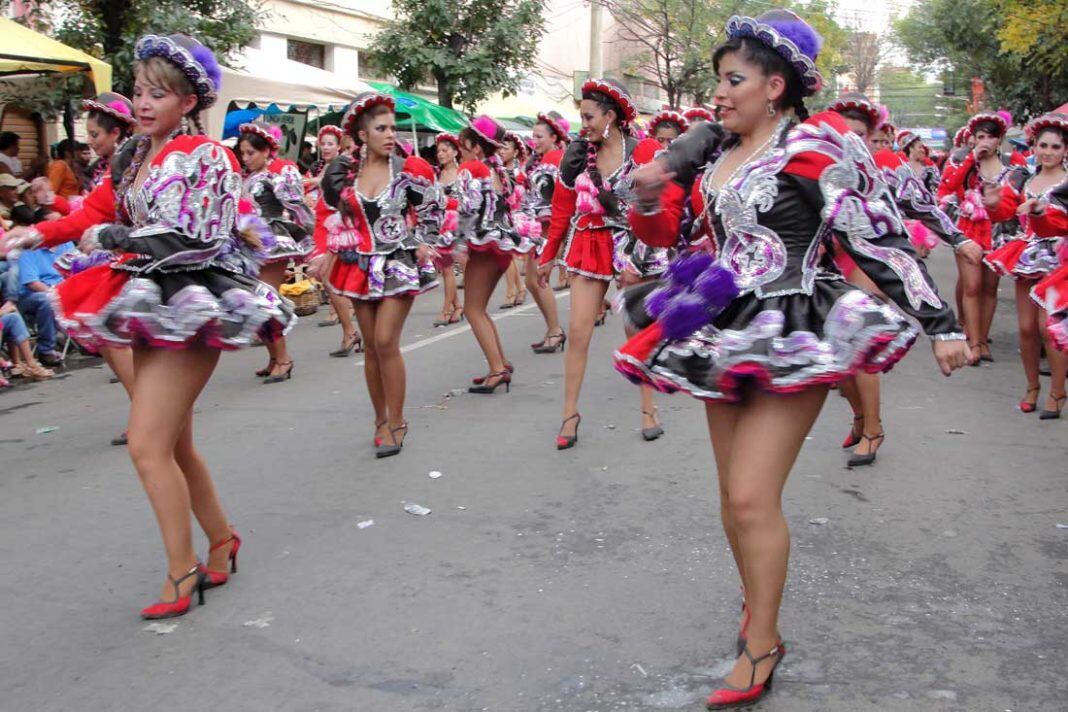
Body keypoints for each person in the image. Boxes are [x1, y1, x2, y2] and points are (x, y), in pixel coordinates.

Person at [622, 10, 971, 707]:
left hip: (797, 324)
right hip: (723, 321)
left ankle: (763, 643)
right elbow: (677, 236)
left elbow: (876, 237)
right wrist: (650, 196)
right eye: (719, 81)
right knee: (732, 498)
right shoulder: (717, 152)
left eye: (733, 80)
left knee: (753, 496)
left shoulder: (812, 148)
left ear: (775, 86)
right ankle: (756, 603)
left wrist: (941, 322)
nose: (719, 93)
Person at [4, 33, 295, 619]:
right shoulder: (133, 155)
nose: (142, 102)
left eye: (157, 94)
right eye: (138, 90)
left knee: (145, 443)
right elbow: (93, 210)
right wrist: (32, 233)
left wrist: (110, 237)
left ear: (187, 101)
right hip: (144, 300)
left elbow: (196, 238)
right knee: (173, 443)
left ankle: (182, 570)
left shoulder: (206, 156)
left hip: (196, 302)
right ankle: (221, 541)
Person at [535, 78, 666, 448]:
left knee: (634, 329)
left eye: (590, 117)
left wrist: (646, 254)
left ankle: (648, 408)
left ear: (610, 116)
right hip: (590, 240)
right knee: (578, 331)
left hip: (632, 243)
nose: (584, 125)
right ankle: (570, 414)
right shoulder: (577, 156)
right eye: (582, 117)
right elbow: (561, 209)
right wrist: (548, 256)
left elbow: (657, 206)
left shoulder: (643, 151)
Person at [319, 92, 446, 457]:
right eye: (381, 128)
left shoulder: (408, 169)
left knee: (386, 341)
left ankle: (398, 420)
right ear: (362, 135)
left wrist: (424, 242)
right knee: (373, 347)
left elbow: (435, 208)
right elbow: (333, 217)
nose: (391, 134)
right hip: (359, 265)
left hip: (398, 264)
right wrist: (326, 251)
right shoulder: (345, 174)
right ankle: (379, 419)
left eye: (393, 128)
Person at [984, 113, 1068, 418]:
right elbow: (1006, 210)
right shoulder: (1023, 178)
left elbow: (1060, 223)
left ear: (1065, 150)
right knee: (1026, 328)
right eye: (1043, 145)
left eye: (1055, 147)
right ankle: (1032, 387)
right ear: (1034, 146)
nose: (1048, 152)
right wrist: (993, 203)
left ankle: (1057, 391)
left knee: (1049, 329)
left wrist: (1040, 213)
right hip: (1029, 256)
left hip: (1061, 259)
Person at [455, 115, 538, 394]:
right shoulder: (497, 168)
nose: (460, 152)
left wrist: (455, 244)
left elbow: (467, 210)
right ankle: (500, 363)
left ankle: (497, 369)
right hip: (501, 244)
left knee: (472, 310)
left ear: (475, 147)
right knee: (478, 309)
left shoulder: (472, 168)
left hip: (485, 247)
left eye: (462, 146)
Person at [938, 111, 1019, 363]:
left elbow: (1016, 198)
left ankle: (983, 340)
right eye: (980, 137)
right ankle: (972, 342)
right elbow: (948, 185)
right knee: (972, 286)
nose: (984, 142)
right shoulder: (964, 160)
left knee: (990, 287)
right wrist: (971, 158)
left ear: (999, 140)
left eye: (989, 137)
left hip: (998, 232)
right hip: (969, 228)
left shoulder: (1012, 164)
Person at [238, 121, 314, 383]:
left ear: (266, 151)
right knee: (255, 304)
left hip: (272, 243)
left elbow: (297, 207)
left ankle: (283, 359)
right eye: (243, 153)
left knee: (264, 301)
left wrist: (310, 236)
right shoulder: (247, 178)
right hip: (250, 244)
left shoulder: (276, 175)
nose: (246, 158)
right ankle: (274, 359)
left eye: (251, 153)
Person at [306, 125, 361, 356]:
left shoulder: (342, 166)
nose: (326, 147)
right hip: (320, 226)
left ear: (338, 146)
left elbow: (345, 195)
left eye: (331, 143)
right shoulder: (320, 167)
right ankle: (353, 331)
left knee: (330, 280)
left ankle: (351, 333)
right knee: (330, 280)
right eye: (323, 143)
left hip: (335, 228)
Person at [521, 111, 569, 353]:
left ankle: (555, 330)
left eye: (540, 136)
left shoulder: (554, 159)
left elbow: (550, 201)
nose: (535, 140)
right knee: (531, 281)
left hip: (546, 228)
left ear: (553, 137)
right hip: (538, 228)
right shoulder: (542, 160)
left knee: (537, 280)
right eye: (534, 136)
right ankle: (552, 329)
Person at [17, 238, 72, 367]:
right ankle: (46, 350)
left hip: (66, 289)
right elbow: (32, 283)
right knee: (47, 300)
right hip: (35, 295)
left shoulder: (67, 244)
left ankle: (95, 341)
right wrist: (56, 294)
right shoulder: (29, 251)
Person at [432, 132, 465, 327]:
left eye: (445, 150)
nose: (441, 154)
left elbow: (466, 202)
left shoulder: (462, 174)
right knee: (445, 268)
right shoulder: (436, 174)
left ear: (454, 152)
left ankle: (446, 309)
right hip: (438, 224)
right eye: (439, 151)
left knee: (447, 268)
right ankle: (457, 306)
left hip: (455, 225)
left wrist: (448, 202)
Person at [498, 132, 529, 309]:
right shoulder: (498, 171)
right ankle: (520, 288)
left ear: (516, 152)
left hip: (515, 218)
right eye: (501, 148)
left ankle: (511, 292)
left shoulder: (519, 174)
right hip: (503, 217)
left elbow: (522, 198)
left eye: (506, 148)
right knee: (507, 256)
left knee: (507, 256)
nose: (502, 151)